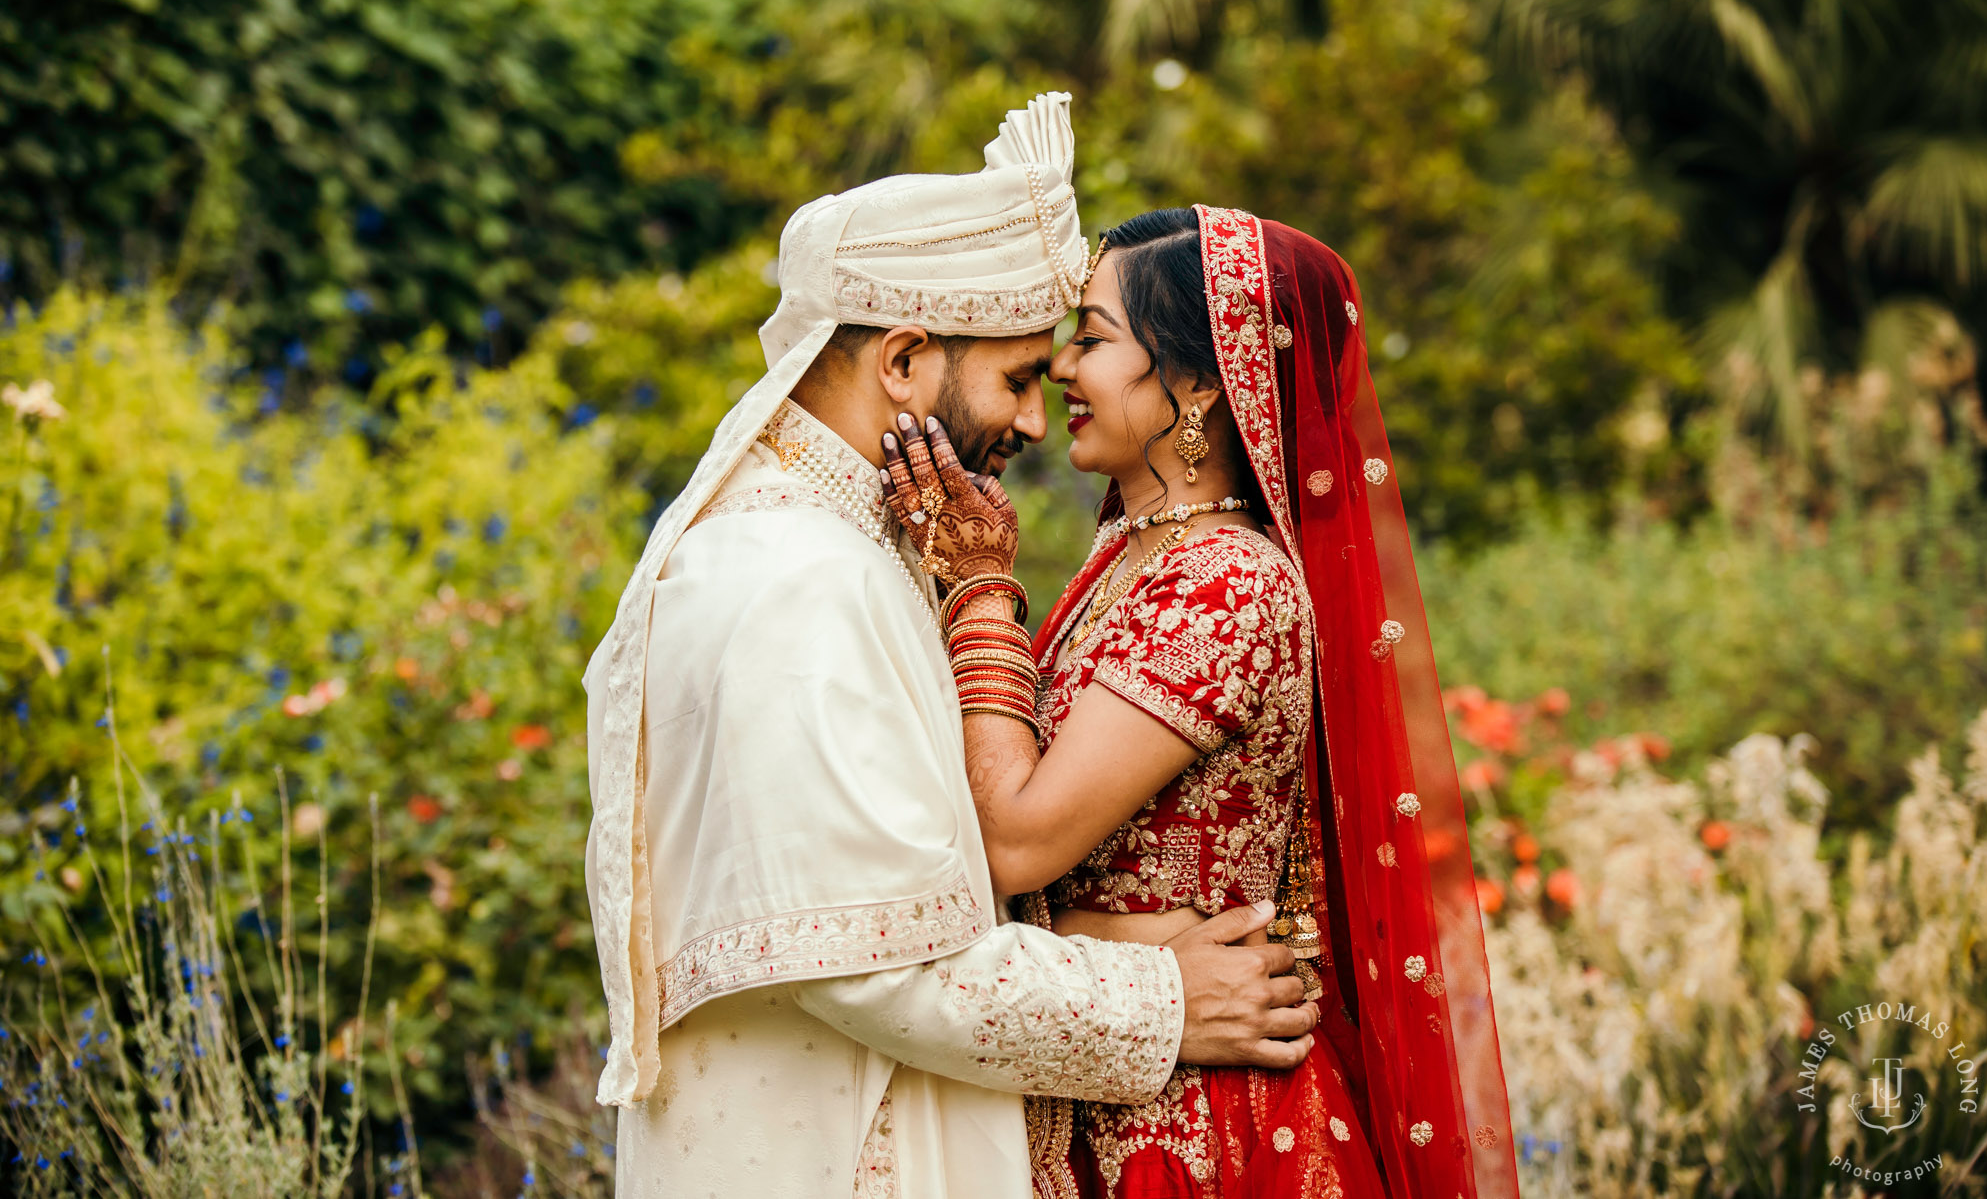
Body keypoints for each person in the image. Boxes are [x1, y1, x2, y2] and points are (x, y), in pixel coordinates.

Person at [582, 105, 1323, 1199]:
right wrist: (1162, 999)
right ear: (903, 361)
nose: (1034, 419)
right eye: (1020, 376)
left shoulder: (852, 550)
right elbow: (882, 960)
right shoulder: (799, 580)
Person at [880, 206, 1522, 1197]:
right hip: (1119, 1069)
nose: (1057, 369)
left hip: (1193, 1127)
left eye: (1090, 339)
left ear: (1196, 386)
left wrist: (976, 590)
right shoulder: (1129, 557)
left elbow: (1015, 840)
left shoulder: (1223, 581)